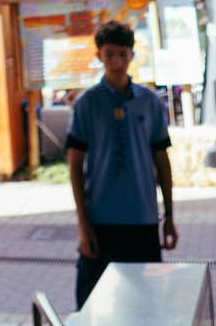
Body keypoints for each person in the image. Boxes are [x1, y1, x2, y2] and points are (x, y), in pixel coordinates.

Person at [65, 21, 177, 308]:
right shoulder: (87, 104)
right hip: (100, 221)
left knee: (146, 303)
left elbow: (162, 161)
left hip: (143, 219)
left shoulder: (150, 102)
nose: (116, 62)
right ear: (99, 56)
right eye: (110, 54)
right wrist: (82, 225)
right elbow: (75, 165)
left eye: (123, 55)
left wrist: (170, 216)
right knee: (93, 305)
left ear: (132, 56)